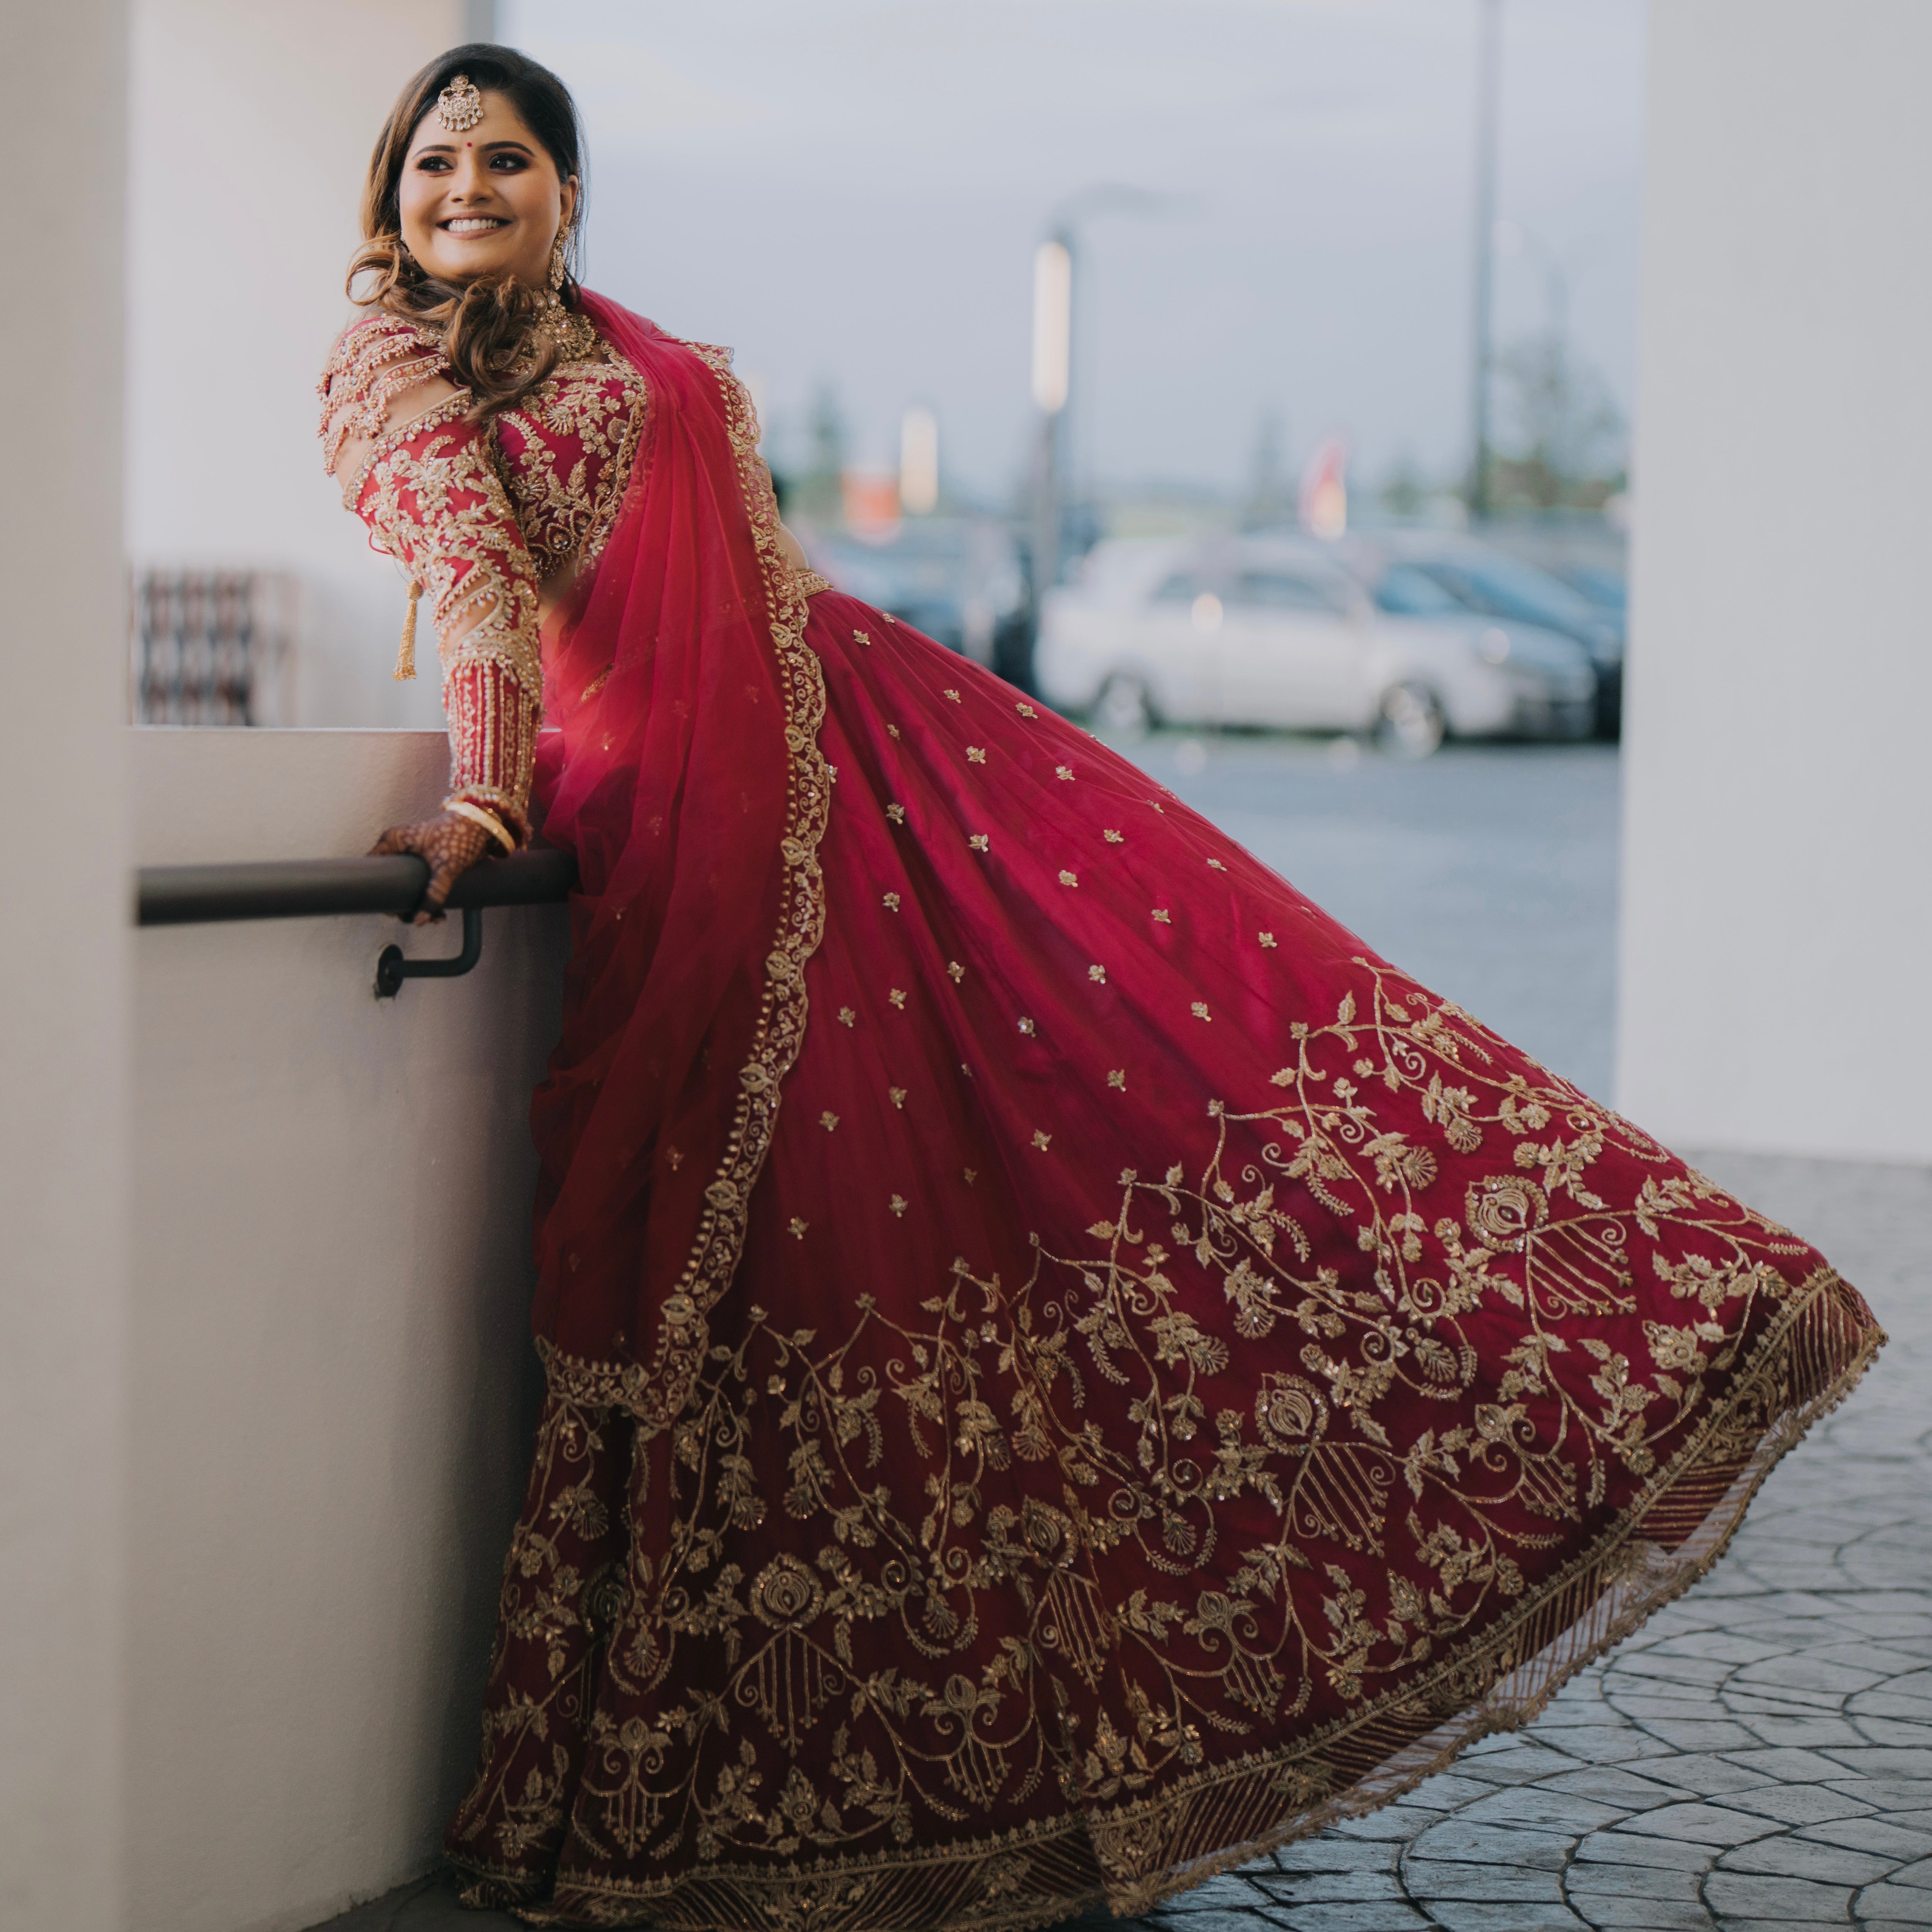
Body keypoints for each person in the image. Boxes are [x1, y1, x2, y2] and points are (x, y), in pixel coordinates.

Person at [321, 46, 1882, 1930]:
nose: (466, 184)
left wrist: (765, 764)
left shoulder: (659, 366)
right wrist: (486, 792)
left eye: (506, 157)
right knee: (798, 1264)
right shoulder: (386, 375)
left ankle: (1656, 1307)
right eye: (434, 160)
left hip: (860, 756)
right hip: (688, 831)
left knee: (1176, 1005)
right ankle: (776, 1780)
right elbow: (480, 592)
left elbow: (758, 583)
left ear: (570, 195)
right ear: (388, 192)